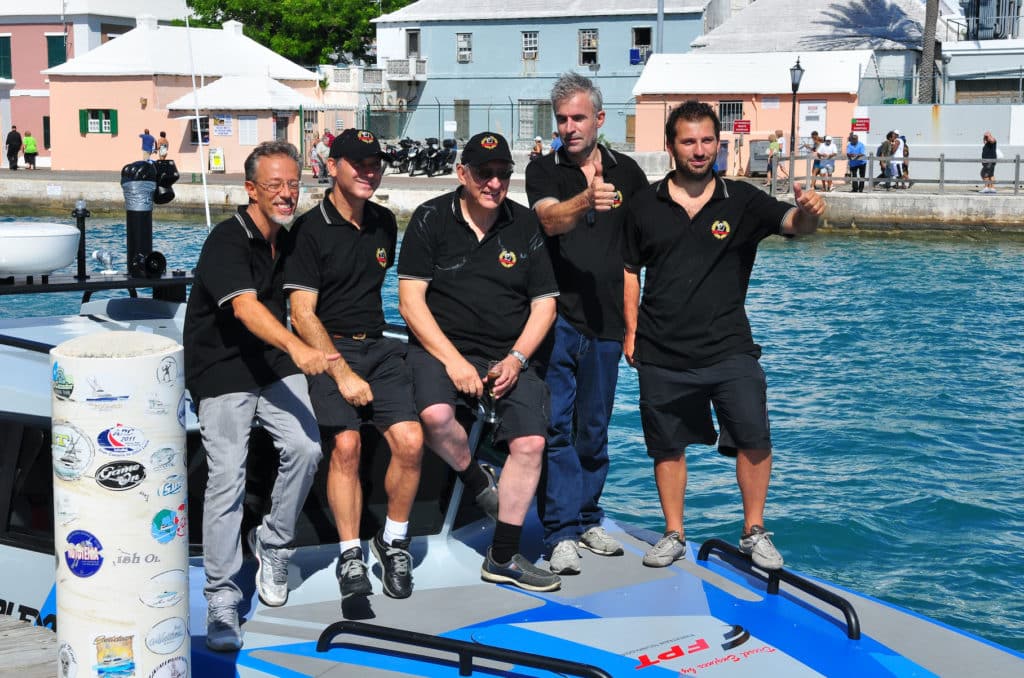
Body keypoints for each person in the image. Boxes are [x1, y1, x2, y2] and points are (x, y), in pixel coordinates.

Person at [622, 100, 825, 571]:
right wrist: (630, 333)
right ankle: (673, 533)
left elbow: (795, 225)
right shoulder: (643, 205)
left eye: (707, 140)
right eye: (688, 141)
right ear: (671, 146)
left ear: (720, 144)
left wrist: (810, 210)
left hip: (730, 346)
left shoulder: (743, 200)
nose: (699, 150)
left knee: (754, 435)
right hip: (661, 348)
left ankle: (754, 531)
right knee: (666, 446)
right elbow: (629, 270)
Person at [183, 140, 337, 652]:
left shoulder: (289, 241)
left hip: (269, 365)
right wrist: (300, 348)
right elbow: (247, 310)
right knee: (227, 474)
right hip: (223, 369)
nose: (287, 194)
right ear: (250, 189)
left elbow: (303, 301)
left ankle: (272, 543)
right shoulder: (227, 240)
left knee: (306, 447)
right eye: (274, 185)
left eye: (293, 184)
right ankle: (222, 596)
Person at [398, 131, 561, 592]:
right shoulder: (430, 218)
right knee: (434, 416)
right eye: (484, 173)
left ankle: (504, 556)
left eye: (503, 174)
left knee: (530, 444)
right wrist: (452, 362)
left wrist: (516, 358)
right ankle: (475, 478)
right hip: (442, 347)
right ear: (462, 174)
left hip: (507, 351)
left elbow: (545, 304)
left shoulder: (525, 224)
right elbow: (411, 302)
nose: (494, 182)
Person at [285, 129, 424, 601]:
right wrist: (341, 372)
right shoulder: (309, 229)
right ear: (333, 165)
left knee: (411, 441)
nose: (370, 171)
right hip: (329, 347)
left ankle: (393, 541)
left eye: (376, 163)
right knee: (345, 445)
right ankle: (350, 554)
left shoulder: (386, 222)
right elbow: (301, 313)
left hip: (379, 346)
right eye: (359, 163)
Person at [526, 72, 649, 575]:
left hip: (606, 323)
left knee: (593, 428)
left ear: (600, 119)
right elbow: (549, 220)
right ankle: (559, 532)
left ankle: (588, 515)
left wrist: (634, 327)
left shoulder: (630, 172)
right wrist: (586, 199)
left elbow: (636, 256)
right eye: (562, 119)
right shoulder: (543, 169)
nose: (569, 127)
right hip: (556, 320)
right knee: (555, 426)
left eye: (579, 117)